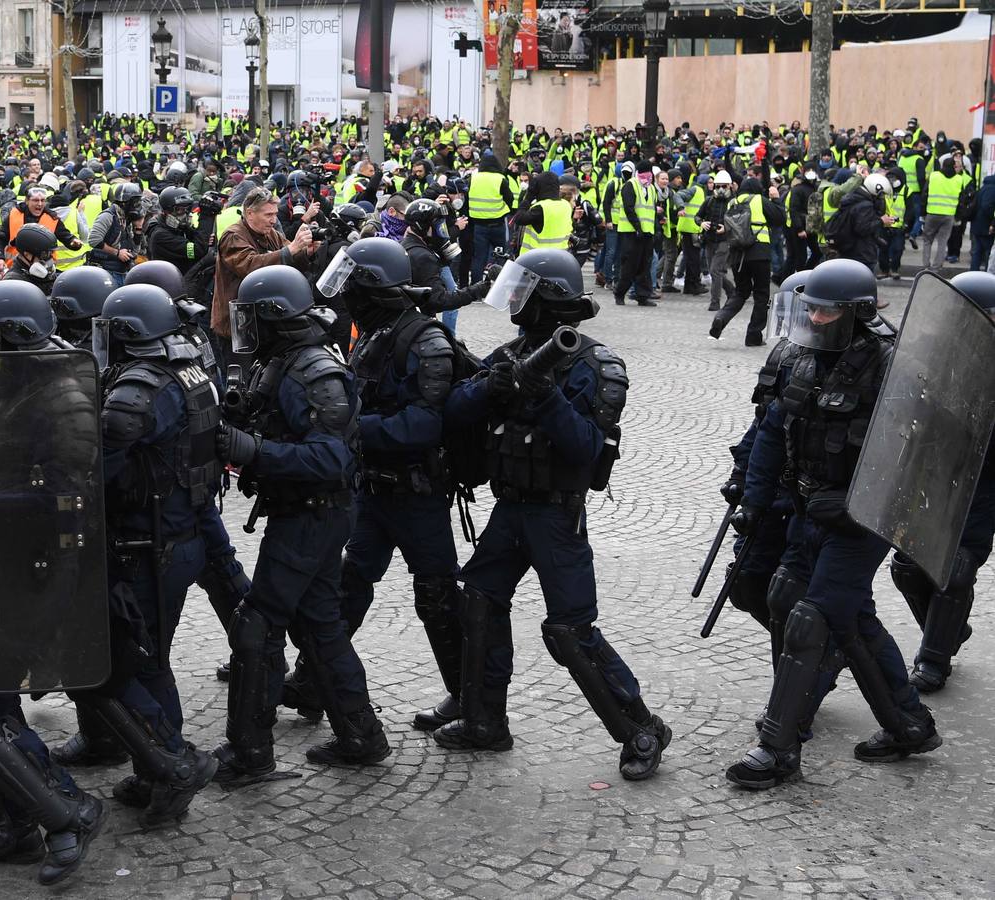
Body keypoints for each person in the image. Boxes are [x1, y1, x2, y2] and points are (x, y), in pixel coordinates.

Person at [435, 248, 671, 783]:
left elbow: (586, 449)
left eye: (524, 291)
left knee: (569, 631)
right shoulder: (512, 351)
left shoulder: (594, 365)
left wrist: (542, 395)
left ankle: (641, 729)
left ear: (549, 299)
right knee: (478, 600)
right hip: (511, 507)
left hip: (557, 517)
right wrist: (488, 386)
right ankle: (484, 720)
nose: (515, 301)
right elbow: (453, 414)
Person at [725, 259, 942, 789]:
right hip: (806, 511)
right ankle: (909, 723)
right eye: (811, 309)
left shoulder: (894, 364)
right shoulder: (804, 358)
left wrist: (853, 503)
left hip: (859, 522)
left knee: (812, 616)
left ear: (857, 313)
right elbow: (774, 433)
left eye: (826, 311)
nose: (815, 319)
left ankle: (779, 747)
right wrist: (754, 501)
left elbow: (917, 456)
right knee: (812, 605)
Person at [0, 280, 107, 882]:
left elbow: (64, 495)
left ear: (12, 335)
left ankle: (62, 810)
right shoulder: (12, 383)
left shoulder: (61, 396)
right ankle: (18, 823)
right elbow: (0, 457)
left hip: (33, 568)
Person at [213, 265, 391, 782]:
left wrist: (253, 451)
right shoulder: (286, 360)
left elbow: (330, 459)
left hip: (314, 514)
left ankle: (249, 752)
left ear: (273, 317)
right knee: (320, 626)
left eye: (252, 316)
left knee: (258, 624)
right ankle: (361, 735)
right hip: (305, 511)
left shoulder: (314, 370)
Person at [281, 238, 466, 732]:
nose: (346, 296)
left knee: (437, 593)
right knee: (349, 583)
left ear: (375, 288)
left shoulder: (425, 340)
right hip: (374, 486)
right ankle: (313, 679)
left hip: (417, 490)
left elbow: (425, 424)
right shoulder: (376, 331)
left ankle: (470, 696)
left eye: (354, 284)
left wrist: (353, 430)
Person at [78, 282, 220, 825]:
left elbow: (97, 473)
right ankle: (154, 768)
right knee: (151, 662)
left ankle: (174, 765)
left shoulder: (137, 392)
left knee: (115, 668)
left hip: (145, 547)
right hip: (176, 540)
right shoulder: (187, 370)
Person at [888, 269, 995, 692]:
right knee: (907, 568)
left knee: (957, 566)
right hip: (933, 473)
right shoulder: (932, 351)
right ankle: (950, 629)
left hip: (983, 481)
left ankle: (933, 660)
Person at [210, 187, 315, 343]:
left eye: (275, 214)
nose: (273, 220)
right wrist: (292, 248)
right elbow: (250, 266)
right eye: (268, 215)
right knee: (242, 367)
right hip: (238, 324)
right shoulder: (233, 236)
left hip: (264, 319)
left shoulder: (269, 232)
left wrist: (307, 251)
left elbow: (288, 257)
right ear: (250, 213)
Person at [709, 176, 786, 347]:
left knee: (741, 292)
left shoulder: (732, 202)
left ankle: (721, 317)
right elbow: (780, 219)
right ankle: (753, 335)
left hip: (737, 255)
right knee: (761, 294)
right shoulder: (759, 200)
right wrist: (776, 199)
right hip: (759, 253)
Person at [611, 163, 658, 307]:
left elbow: (653, 210)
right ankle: (620, 293)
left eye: (649, 173)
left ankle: (642, 296)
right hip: (632, 232)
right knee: (629, 265)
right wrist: (637, 227)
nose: (648, 175)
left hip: (647, 233)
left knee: (645, 265)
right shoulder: (630, 185)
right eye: (645, 173)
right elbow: (629, 208)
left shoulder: (651, 188)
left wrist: (654, 230)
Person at [466, 153, 517, 281]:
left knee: (479, 257)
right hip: (497, 224)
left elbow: (467, 198)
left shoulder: (473, 178)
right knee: (500, 255)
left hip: (479, 225)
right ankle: (500, 284)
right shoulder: (500, 179)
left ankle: (476, 288)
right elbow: (509, 198)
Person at [86, 183, 145, 285]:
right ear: (124, 202)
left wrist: (138, 228)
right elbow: (93, 240)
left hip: (122, 271)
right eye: (135, 202)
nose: (137, 206)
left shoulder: (126, 219)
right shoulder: (108, 216)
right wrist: (117, 253)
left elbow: (135, 252)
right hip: (107, 272)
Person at [696, 170, 736, 313]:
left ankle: (715, 302)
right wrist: (701, 223)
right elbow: (698, 216)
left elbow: (740, 221)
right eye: (718, 186)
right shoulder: (708, 201)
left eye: (724, 186)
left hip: (725, 240)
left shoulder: (734, 202)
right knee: (716, 272)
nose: (720, 189)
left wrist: (726, 228)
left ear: (730, 186)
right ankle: (732, 291)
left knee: (715, 270)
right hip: (710, 239)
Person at [145, 186, 209, 273]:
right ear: (166, 211)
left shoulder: (180, 228)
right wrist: (205, 218)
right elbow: (196, 250)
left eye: (188, 209)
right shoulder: (160, 235)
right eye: (179, 210)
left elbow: (200, 242)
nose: (185, 214)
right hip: (169, 280)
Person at [921, 154, 962, 271]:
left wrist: (922, 213)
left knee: (927, 240)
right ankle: (936, 267)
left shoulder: (934, 176)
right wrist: (958, 216)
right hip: (948, 215)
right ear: (954, 166)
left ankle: (925, 266)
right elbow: (961, 199)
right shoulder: (959, 179)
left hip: (932, 213)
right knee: (942, 242)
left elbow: (925, 194)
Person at [2, 223, 59, 294]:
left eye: (51, 253)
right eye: (44, 255)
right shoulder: (12, 284)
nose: (50, 260)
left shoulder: (44, 276)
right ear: (27, 255)